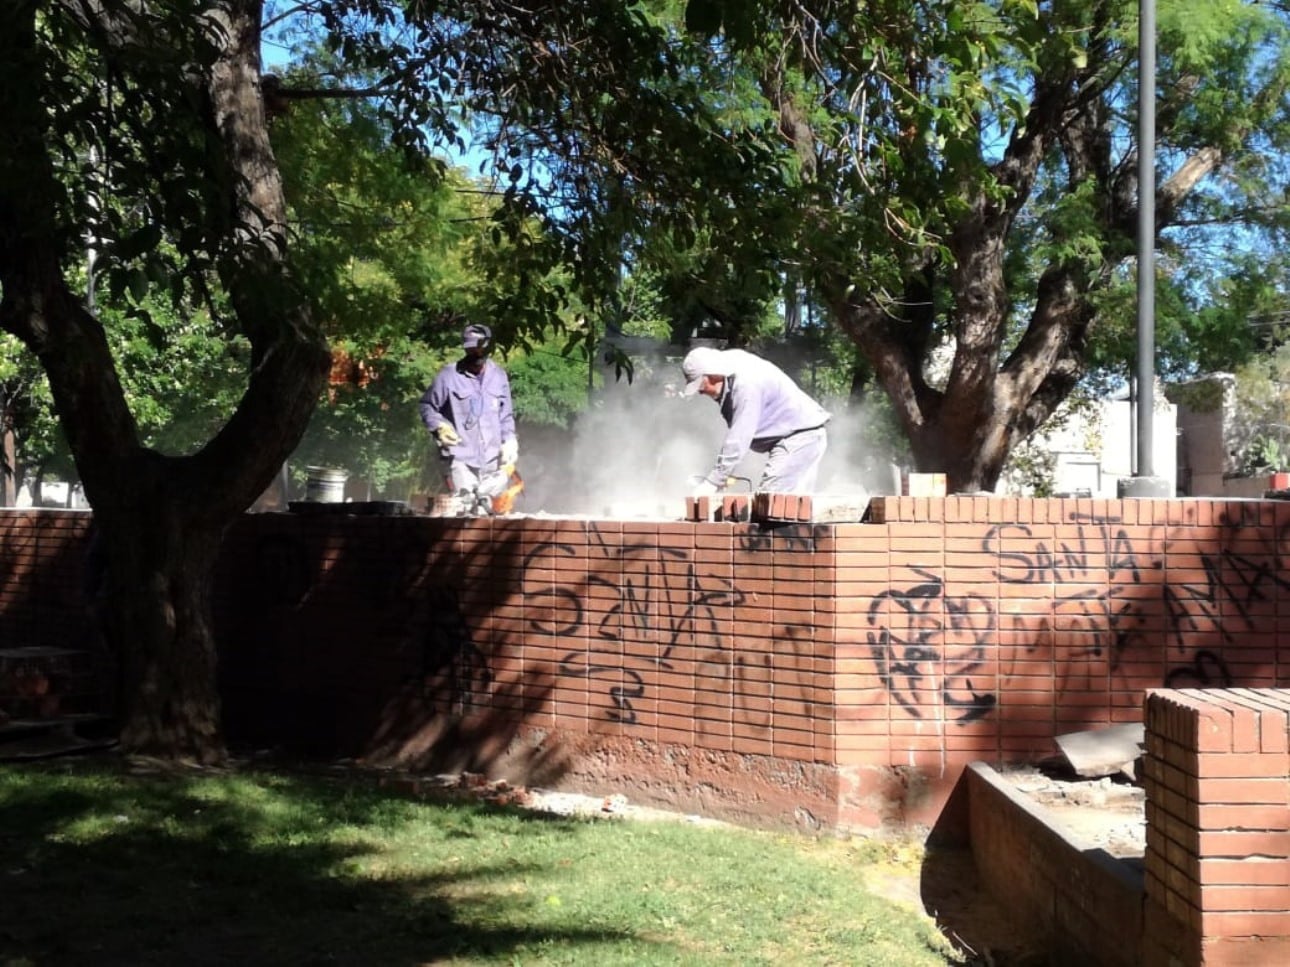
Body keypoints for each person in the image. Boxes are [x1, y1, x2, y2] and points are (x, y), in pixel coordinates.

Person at [681, 345, 829, 495]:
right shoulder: (732, 369)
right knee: (791, 506)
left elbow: (739, 437)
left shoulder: (745, 384)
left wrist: (713, 481)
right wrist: (725, 475)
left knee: (771, 502)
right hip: (797, 437)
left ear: (714, 375)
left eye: (700, 384)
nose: (700, 391)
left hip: (799, 438)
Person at [419, 323, 519, 514]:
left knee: (492, 515)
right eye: (471, 348)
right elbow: (426, 406)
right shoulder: (449, 376)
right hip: (461, 460)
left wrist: (510, 442)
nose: (476, 352)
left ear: (488, 347)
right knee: (466, 511)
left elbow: (506, 416)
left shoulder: (499, 376)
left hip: (493, 463)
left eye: (480, 347)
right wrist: (439, 426)